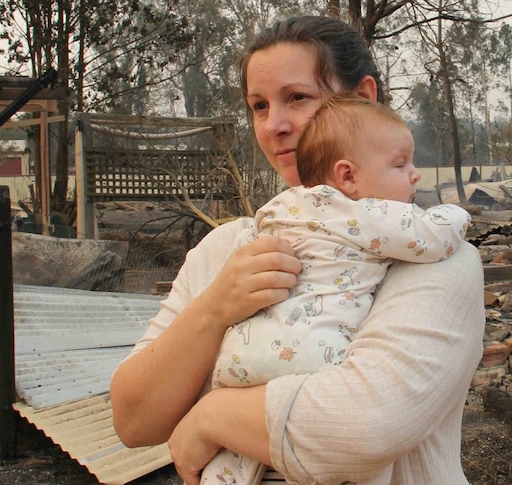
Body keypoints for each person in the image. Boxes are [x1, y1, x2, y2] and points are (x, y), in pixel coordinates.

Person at [109, 15, 485, 485]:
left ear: (363, 99)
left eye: (298, 98)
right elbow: (133, 420)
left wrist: (211, 415)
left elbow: (366, 426)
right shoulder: (223, 248)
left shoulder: (432, 257)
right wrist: (213, 310)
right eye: (259, 105)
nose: (275, 125)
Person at [200, 95, 472, 485]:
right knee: (345, 462)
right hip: (313, 356)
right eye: (400, 164)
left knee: (238, 456)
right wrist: (457, 214)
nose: (415, 174)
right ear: (347, 177)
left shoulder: (281, 208)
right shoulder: (365, 213)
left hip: (239, 360)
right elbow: (429, 237)